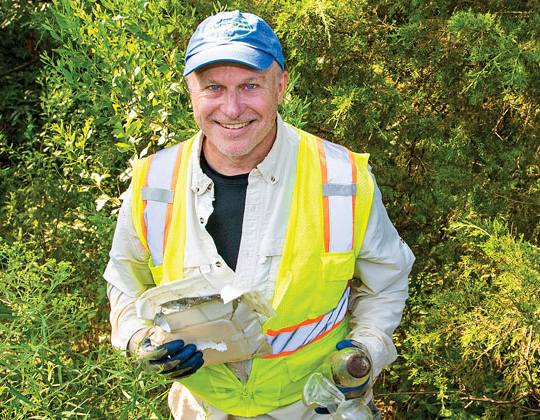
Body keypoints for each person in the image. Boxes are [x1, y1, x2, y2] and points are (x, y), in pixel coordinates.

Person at [104, 10, 415, 420]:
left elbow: (387, 281)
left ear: (280, 86)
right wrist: (140, 339)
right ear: (190, 91)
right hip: (203, 409)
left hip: (315, 407)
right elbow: (125, 282)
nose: (232, 109)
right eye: (213, 87)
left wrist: (367, 349)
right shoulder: (153, 182)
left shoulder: (340, 178)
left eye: (250, 85)